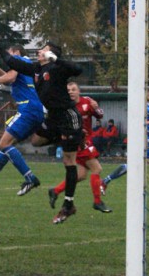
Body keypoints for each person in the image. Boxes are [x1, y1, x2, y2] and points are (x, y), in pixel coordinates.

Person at [0, 31, 83, 224]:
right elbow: (11, 62)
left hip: (67, 118)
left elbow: (77, 69)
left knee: (69, 161)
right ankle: (61, 143)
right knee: (36, 140)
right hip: (52, 119)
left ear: (50, 55)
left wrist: (57, 59)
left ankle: (68, 204)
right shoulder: (35, 70)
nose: (39, 51)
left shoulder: (57, 68)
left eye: (44, 50)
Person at [0, 47, 45, 195]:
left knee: (4, 143)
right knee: (8, 146)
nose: (7, 58)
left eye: (8, 52)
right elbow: (11, 79)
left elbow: (10, 78)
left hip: (27, 108)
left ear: (16, 52)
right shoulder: (28, 67)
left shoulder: (20, 61)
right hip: (35, 110)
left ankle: (30, 178)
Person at [48, 82, 112, 213]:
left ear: (79, 91)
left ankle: (55, 190)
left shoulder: (87, 101)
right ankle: (97, 202)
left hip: (87, 141)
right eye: (68, 90)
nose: (70, 92)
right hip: (77, 142)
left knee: (81, 175)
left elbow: (100, 115)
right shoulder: (65, 107)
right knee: (97, 168)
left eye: (73, 89)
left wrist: (96, 107)